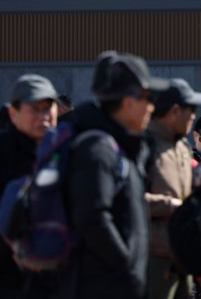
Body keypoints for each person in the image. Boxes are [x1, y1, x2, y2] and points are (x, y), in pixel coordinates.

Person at [59, 51, 168, 299]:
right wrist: (126, 265)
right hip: (100, 287)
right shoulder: (97, 148)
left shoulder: (121, 145)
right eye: (147, 99)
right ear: (128, 102)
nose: (151, 108)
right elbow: (92, 218)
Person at [0, 75, 59, 299]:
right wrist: (20, 249)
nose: (43, 117)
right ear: (14, 113)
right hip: (5, 271)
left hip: (57, 271)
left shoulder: (65, 149)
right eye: (35, 109)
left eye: (47, 108)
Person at [146, 78, 201, 299]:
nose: (194, 116)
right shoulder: (144, 145)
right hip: (154, 258)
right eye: (190, 109)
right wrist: (169, 205)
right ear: (174, 111)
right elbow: (126, 200)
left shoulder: (183, 148)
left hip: (183, 256)